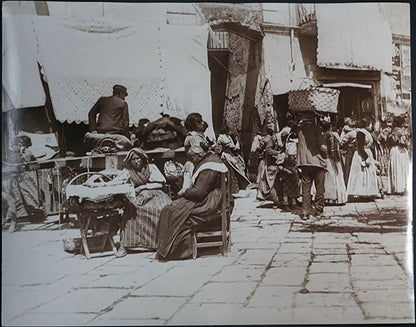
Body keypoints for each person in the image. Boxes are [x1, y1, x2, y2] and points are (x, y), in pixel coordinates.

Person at [156, 144, 230, 260]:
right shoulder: (210, 159)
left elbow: (199, 192)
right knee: (170, 209)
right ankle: (166, 248)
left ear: (198, 156)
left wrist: (184, 192)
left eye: (192, 158)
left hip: (210, 201)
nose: (191, 160)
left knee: (171, 211)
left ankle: (177, 250)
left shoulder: (208, 166)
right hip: (210, 197)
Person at [109, 148, 172, 257]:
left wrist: (144, 186)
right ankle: (126, 245)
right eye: (133, 160)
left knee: (162, 208)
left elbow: (160, 183)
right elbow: (117, 182)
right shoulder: (128, 171)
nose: (136, 161)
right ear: (130, 161)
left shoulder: (151, 168)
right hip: (138, 196)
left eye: (138, 158)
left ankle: (159, 244)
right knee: (134, 211)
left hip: (155, 193)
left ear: (142, 159)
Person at [2, 136, 44, 232]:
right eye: (22, 146)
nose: (23, 149)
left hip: (13, 180)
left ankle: (13, 223)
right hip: (7, 179)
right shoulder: (8, 153)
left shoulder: (22, 153)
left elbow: (20, 167)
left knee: (12, 201)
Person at [296, 111, 327, 220]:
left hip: (304, 163)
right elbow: (321, 147)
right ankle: (318, 211)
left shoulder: (299, 131)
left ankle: (305, 212)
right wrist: (326, 152)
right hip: (317, 162)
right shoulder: (317, 129)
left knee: (306, 188)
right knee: (319, 188)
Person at [86, 85, 133, 151]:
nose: (124, 98)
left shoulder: (102, 100)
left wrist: (93, 130)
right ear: (121, 93)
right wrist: (128, 136)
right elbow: (126, 123)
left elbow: (91, 113)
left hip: (100, 134)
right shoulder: (123, 103)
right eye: (124, 96)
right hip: (116, 135)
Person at [346, 118, 378, 200]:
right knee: (361, 174)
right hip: (361, 155)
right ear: (366, 124)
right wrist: (365, 157)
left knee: (369, 174)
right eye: (370, 124)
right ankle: (360, 192)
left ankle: (368, 192)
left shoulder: (368, 133)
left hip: (368, 153)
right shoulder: (361, 133)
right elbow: (360, 147)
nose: (371, 126)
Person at [256, 124, 286, 205]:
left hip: (278, 163)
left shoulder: (283, 139)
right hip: (272, 163)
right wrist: (278, 153)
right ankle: (275, 200)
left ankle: (280, 200)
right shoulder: (272, 139)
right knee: (271, 182)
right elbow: (268, 149)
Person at [216, 126, 250, 194]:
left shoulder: (227, 136)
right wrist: (236, 144)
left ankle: (235, 188)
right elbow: (230, 146)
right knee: (230, 171)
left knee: (235, 170)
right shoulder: (222, 137)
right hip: (226, 156)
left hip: (229, 155)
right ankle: (230, 189)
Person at [322, 118, 347, 205]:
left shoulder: (327, 135)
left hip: (330, 159)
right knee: (335, 176)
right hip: (334, 158)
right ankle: (336, 197)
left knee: (330, 177)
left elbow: (331, 149)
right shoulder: (334, 134)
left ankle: (330, 198)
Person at [387, 116, 410, 194]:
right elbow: (405, 143)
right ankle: (403, 186)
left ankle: (395, 187)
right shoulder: (402, 132)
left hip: (393, 150)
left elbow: (387, 142)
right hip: (401, 150)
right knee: (402, 167)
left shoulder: (391, 132)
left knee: (396, 167)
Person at [339, 119, 357, 187]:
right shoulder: (358, 131)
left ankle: (347, 184)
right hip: (356, 149)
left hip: (350, 150)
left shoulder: (349, 133)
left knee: (347, 168)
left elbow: (341, 142)